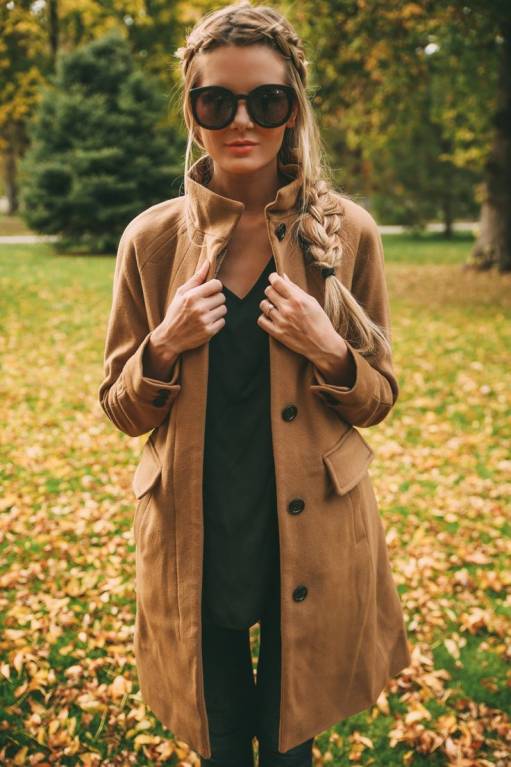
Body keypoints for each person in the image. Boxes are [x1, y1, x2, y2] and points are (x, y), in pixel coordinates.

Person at [98, 2, 412, 766]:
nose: (242, 121)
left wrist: (329, 348)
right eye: (217, 102)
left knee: (287, 740)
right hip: (194, 528)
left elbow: (378, 397)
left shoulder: (347, 232)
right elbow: (120, 407)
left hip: (311, 531)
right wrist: (165, 343)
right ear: (192, 111)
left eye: (265, 101)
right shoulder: (150, 240)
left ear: (292, 108)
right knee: (219, 740)